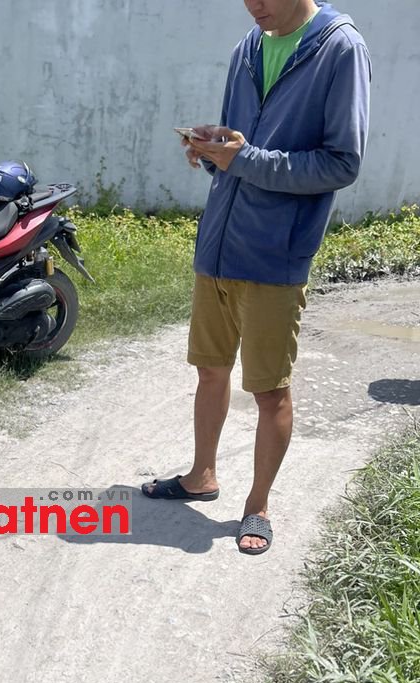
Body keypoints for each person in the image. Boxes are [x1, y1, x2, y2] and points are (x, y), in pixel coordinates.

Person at [142, 0, 371, 554]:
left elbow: (342, 162)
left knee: (269, 390)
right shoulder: (248, 47)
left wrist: (243, 159)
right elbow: (238, 142)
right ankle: (202, 475)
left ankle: (258, 506)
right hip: (219, 246)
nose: (254, 5)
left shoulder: (341, 49)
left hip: (275, 255)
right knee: (210, 370)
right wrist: (211, 145)